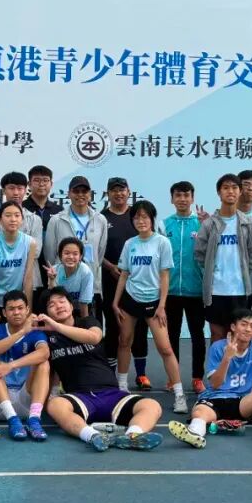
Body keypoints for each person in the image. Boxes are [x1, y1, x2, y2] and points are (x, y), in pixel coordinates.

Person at [42, 287, 163, 451]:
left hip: (112, 395)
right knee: (55, 406)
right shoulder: (47, 337)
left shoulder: (88, 322)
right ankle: (92, 436)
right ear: (47, 314)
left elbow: (94, 337)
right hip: (80, 397)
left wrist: (56, 326)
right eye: (52, 305)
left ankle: (132, 436)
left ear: (71, 306)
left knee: (151, 405)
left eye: (62, 301)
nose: (58, 306)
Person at [169, 308, 252, 448]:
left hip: (242, 402)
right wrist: (227, 358)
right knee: (199, 413)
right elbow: (215, 384)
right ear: (233, 327)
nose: (248, 329)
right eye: (243, 324)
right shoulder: (218, 347)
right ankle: (195, 435)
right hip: (215, 398)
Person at [111, 200, 187, 413]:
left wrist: (162, 306)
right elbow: (124, 274)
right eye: (136, 217)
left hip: (154, 302)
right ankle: (122, 388)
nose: (141, 221)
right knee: (124, 342)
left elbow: (165, 276)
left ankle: (179, 395)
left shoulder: (162, 242)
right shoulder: (130, 244)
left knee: (165, 348)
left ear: (152, 219)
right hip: (130, 299)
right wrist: (116, 301)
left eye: (145, 217)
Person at [194, 174, 252, 346]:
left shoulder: (249, 223)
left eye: (234, 187)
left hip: (240, 290)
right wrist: (212, 271)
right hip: (216, 290)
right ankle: (216, 365)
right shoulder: (209, 224)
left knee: (238, 335)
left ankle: (235, 365)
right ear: (219, 192)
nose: (230, 191)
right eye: (225, 188)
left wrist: (242, 273)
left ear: (240, 192)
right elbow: (200, 253)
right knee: (217, 335)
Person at [44, 176, 109, 345]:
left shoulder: (100, 219)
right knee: (62, 335)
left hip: (91, 285)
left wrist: (88, 269)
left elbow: (100, 252)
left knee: (89, 333)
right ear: (69, 194)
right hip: (63, 288)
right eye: (76, 191)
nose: (80, 194)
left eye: (84, 191)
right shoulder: (57, 220)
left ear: (90, 194)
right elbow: (50, 254)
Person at [0, 290, 50, 441]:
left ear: (27, 310)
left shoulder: (36, 332)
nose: (16, 312)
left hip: (25, 399)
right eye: (11, 309)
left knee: (43, 363)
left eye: (20, 308)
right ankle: (13, 420)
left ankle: (34, 420)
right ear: (4, 312)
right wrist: (22, 332)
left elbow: (44, 353)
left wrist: (10, 366)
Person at [101, 177, 149, 386]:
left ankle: (141, 374)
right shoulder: (101, 218)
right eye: (114, 190)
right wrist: (111, 267)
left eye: (122, 190)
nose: (118, 194)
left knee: (140, 329)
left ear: (129, 192)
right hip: (110, 281)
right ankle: (111, 375)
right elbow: (96, 250)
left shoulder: (137, 216)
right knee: (113, 327)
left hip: (138, 282)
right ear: (108, 194)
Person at [162, 180, 207, 394]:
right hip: (170, 291)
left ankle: (198, 378)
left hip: (196, 290)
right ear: (172, 199)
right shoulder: (164, 225)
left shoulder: (202, 223)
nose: (182, 199)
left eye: (186, 195)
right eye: (178, 195)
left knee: (198, 336)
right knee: (172, 335)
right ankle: (174, 378)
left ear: (192, 198)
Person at [0, 200, 37, 324]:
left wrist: (28, 312)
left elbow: (28, 280)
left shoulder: (30, 243)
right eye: (8, 215)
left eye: (17, 215)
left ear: (22, 219)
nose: (13, 219)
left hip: (17, 302)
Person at [23, 164, 63, 307]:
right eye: (37, 180)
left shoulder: (59, 210)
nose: (41, 184)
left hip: (53, 266)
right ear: (29, 184)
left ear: (51, 184)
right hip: (30, 265)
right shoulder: (21, 209)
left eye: (45, 180)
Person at [46, 237, 94, 317]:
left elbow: (84, 303)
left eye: (75, 254)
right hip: (61, 310)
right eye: (67, 253)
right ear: (60, 255)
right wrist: (52, 280)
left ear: (80, 256)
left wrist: (85, 322)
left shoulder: (86, 272)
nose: (71, 257)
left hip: (81, 309)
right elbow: (54, 297)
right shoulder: (54, 270)